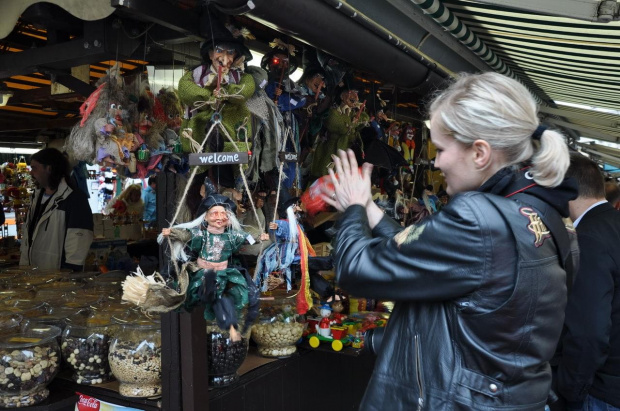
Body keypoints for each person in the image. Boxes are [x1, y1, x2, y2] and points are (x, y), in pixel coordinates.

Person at [321, 72, 578, 410]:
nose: (437, 161)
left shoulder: (478, 217)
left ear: (480, 153)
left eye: (442, 149)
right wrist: (370, 210)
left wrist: (353, 207)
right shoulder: (535, 214)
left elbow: (356, 270)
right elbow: (424, 252)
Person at [555, 154, 620, 410]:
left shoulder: (587, 240)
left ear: (565, 189)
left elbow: (589, 332)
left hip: (601, 391)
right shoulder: (612, 224)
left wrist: (570, 391)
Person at [160, 193, 258, 342]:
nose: (219, 217)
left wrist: (260, 238)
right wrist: (172, 233)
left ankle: (231, 326)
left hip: (224, 273)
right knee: (207, 294)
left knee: (227, 296)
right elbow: (186, 236)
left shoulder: (231, 236)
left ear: (229, 218)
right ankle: (230, 326)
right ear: (205, 218)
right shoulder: (202, 235)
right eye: (214, 214)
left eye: (223, 214)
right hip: (204, 273)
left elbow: (247, 238)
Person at [20, 148, 94, 271]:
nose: (31, 173)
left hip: (58, 281)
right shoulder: (36, 197)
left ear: (49, 168)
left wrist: (69, 276)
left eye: (34, 168)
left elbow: (78, 242)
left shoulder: (74, 199)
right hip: (33, 276)